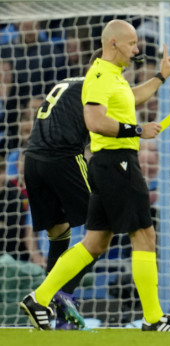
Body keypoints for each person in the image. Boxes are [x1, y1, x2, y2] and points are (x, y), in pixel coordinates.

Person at [19, 19, 170, 332]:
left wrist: (160, 77)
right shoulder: (98, 74)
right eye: (132, 43)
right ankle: (153, 319)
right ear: (113, 44)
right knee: (145, 235)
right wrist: (139, 130)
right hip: (116, 162)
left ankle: (40, 297)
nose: (137, 49)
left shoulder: (113, 76)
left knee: (94, 243)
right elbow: (95, 120)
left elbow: (132, 98)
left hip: (104, 163)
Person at [20, 49, 103, 330]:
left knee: (60, 231)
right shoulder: (96, 87)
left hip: (32, 160)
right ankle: (63, 297)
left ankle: (46, 310)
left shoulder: (68, 82)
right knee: (103, 227)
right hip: (62, 159)